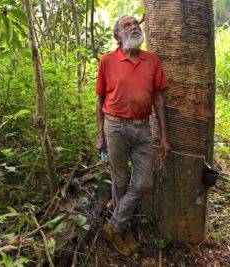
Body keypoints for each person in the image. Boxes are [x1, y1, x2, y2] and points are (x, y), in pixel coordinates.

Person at [95, 15, 172, 256]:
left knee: (144, 183)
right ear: (117, 36)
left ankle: (113, 227)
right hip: (115, 127)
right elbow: (99, 100)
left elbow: (159, 99)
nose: (134, 27)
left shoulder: (152, 60)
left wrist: (164, 136)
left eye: (135, 24)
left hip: (142, 128)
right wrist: (100, 135)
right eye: (127, 25)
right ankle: (123, 229)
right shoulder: (107, 61)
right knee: (119, 182)